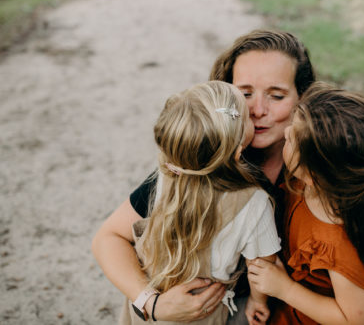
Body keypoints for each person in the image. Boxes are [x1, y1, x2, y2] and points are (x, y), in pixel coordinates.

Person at [92, 29, 316, 323]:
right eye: (245, 94)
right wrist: (152, 303)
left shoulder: (316, 169)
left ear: (303, 97)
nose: (257, 110)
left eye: (276, 95)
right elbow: (108, 238)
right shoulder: (193, 164)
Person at [94, 81, 281, 324]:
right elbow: (261, 267)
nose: (253, 113)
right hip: (205, 314)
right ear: (236, 152)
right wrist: (259, 301)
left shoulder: (165, 178)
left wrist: (147, 301)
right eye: (245, 114)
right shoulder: (254, 203)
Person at [247, 82, 364, 325]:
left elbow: (355, 320)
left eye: (291, 138)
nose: (286, 133)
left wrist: (285, 289)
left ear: (313, 175)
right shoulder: (306, 182)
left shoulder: (337, 243)